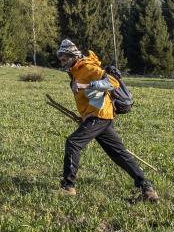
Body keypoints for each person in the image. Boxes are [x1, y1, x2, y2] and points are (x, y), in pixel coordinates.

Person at [55, 39, 159, 202]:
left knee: (73, 143)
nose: (61, 62)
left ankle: (68, 187)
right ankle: (147, 188)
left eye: (64, 59)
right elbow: (89, 99)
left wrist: (85, 86)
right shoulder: (75, 72)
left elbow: (112, 82)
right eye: (60, 59)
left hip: (100, 115)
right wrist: (84, 117)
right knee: (118, 154)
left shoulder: (88, 67)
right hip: (97, 117)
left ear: (72, 56)